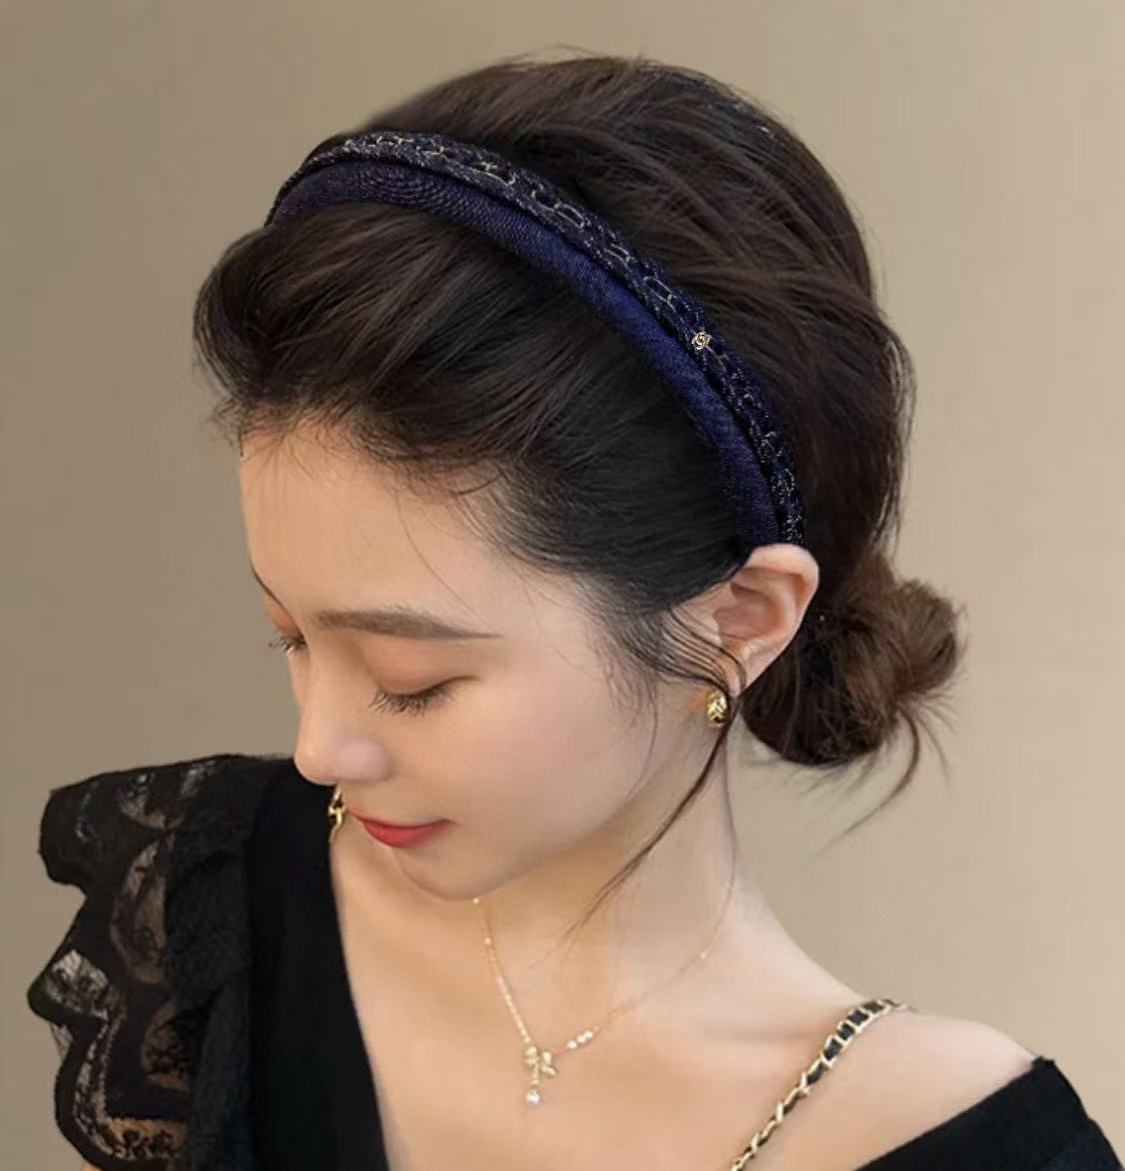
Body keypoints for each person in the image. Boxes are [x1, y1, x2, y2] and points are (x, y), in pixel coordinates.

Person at [27, 50, 1121, 1171]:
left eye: (412, 680)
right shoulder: (223, 907)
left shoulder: (965, 1144)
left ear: (740, 618)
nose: (320, 748)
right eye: (293, 639)